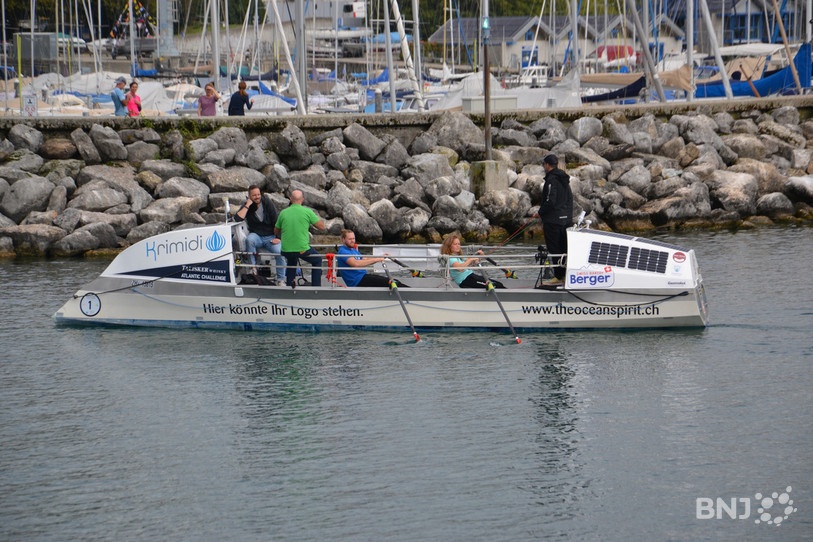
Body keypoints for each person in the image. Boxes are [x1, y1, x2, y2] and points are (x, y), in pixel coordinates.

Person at [535, 154, 573, 286]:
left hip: (553, 221)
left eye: (543, 164)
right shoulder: (564, 179)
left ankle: (558, 276)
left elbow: (550, 201)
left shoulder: (551, 180)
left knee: (555, 248)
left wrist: (541, 212)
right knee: (564, 248)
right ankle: (565, 275)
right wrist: (568, 217)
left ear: (547, 165)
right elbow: (569, 200)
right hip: (566, 220)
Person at [236, 185, 285, 285]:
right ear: (249, 196)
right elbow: (237, 218)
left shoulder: (267, 202)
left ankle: (281, 280)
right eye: (254, 195)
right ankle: (253, 271)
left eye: (258, 194)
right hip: (257, 235)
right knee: (249, 240)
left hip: (271, 236)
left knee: (280, 252)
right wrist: (247, 205)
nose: (257, 197)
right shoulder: (247, 205)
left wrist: (278, 238)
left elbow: (277, 221)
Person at [274, 190, 326, 287]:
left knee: (291, 260)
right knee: (317, 259)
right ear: (302, 200)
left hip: (286, 250)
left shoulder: (283, 213)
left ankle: (290, 285)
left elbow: (276, 231)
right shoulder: (307, 212)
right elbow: (322, 227)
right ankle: (316, 287)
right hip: (302, 249)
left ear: (290, 199)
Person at [336, 229, 408, 288]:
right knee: (392, 282)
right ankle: (414, 295)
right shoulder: (343, 252)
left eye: (353, 238)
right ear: (343, 240)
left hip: (363, 277)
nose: (352, 241)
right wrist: (378, 259)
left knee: (394, 281)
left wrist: (379, 257)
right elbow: (356, 263)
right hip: (357, 281)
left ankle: (410, 291)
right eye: (350, 239)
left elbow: (364, 259)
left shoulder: (352, 250)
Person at [440, 234, 505, 289]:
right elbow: (459, 268)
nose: (458, 246)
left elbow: (468, 260)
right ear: (449, 246)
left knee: (499, 284)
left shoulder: (458, 256)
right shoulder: (450, 258)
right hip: (465, 281)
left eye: (459, 244)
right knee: (497, 286)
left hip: (471, 276)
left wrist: (477, 255)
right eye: (455, 244)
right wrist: (471, 259)